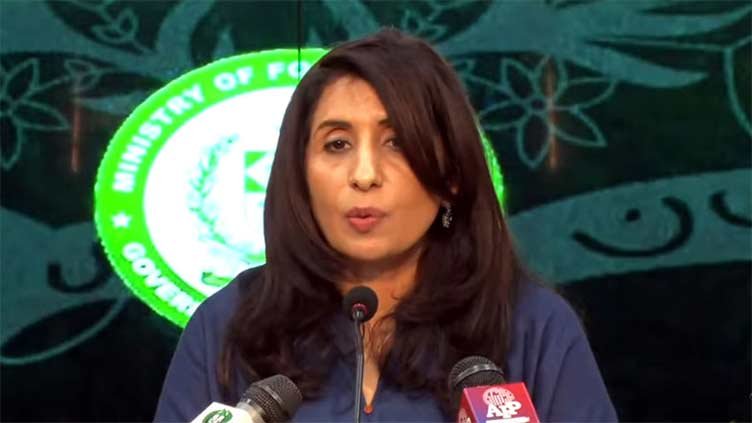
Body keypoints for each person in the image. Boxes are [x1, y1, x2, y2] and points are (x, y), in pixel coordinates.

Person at [154, 29, 617, 422]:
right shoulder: (227, 325)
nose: (364, 175)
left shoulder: (532, 326)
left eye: (397, 142)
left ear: (452, 176)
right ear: (300, 173)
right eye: (337, 144)